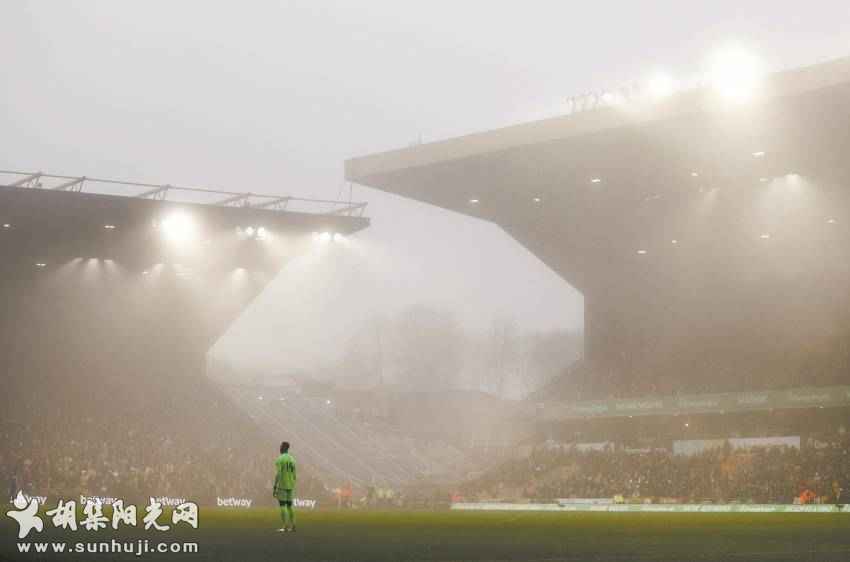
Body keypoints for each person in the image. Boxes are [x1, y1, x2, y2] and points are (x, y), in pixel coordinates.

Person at [273, 441, 297, 532]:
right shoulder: (292, 459)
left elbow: (278, 473)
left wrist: (275, 486)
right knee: (290, 506)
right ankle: (293, 525)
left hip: (282, 485)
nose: (280, 448)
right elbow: (295, 475)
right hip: (291, 485)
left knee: (282, 505)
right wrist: (292, 483)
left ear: (284, 448)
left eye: (281, 446)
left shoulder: (280, 459)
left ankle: (285, 526)